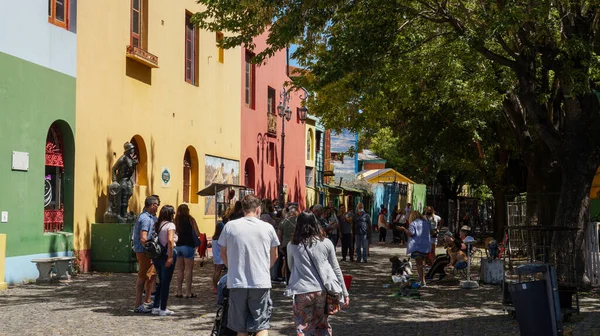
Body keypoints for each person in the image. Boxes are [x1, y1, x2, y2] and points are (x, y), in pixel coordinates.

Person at [218, 194, 280, 336]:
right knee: (261, 325)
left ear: (243, 209)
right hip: (260, 281)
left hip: (237, 282)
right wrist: (264, 268)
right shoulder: (268, 228)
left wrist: (233, 267)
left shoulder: (230, 226)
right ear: (258, 209)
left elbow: (223, 253)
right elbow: (275, 255)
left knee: (241, 328)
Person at [285, 212, 350, 335]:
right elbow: (336, 269)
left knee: (303, 325)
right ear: (316, 224)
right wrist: (344, 292)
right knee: (322, 325)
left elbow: (290, 266)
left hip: (302, 290)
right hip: (322, 291)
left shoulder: (292, 245)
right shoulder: (326, 243)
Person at [132, 195, 159, 313]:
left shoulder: (149, 217)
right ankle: (138, 305)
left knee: (151, 276)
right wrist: (151, 251)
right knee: (142, 277)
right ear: (152, 205)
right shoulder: (145, 219)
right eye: (157, 205)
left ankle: (147, 301)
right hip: (144, 252)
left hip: (148, 252)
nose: (158, 207)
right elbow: (143, 238)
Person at [152, 205, 178, 316]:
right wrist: (170, 256)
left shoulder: (157, 224)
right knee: (166, 282)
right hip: (167, 254)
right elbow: (170, 240)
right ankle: (163, 308)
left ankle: (156, 306)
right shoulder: (170, 225)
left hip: (157, 255)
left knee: (161, 282)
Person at [174, 204, 201, 299]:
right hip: (188, 246)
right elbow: (198, 233)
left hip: (178, 246)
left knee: (180, 269)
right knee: (188, 270)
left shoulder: (175, 220)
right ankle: (188, 292)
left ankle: (179, 291)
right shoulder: (191, 219)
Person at [399, 210, 431, 286]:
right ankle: (422, 279)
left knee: (419, 264)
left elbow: (411, 234)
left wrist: (404, 229)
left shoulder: (413, 223)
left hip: (417, 246)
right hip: (426, 246)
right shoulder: (426, 223)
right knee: (422, 264)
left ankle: (422, 281)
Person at [278, 205, 299, 283]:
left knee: (287, 263)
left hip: (285, 244)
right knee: (296, 262)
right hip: (296, 244)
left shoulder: (283, 222)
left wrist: (280, 245)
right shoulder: (298, 221)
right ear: (295, 212)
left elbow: (279, 235)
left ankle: (288, 281)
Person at [212, 221, 226, 294]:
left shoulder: (214, 238)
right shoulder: (220, 239)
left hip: (216, 257)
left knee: (216, 272)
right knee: (218, 272)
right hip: (220, 258)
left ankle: (215, 286)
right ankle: (215, 287)